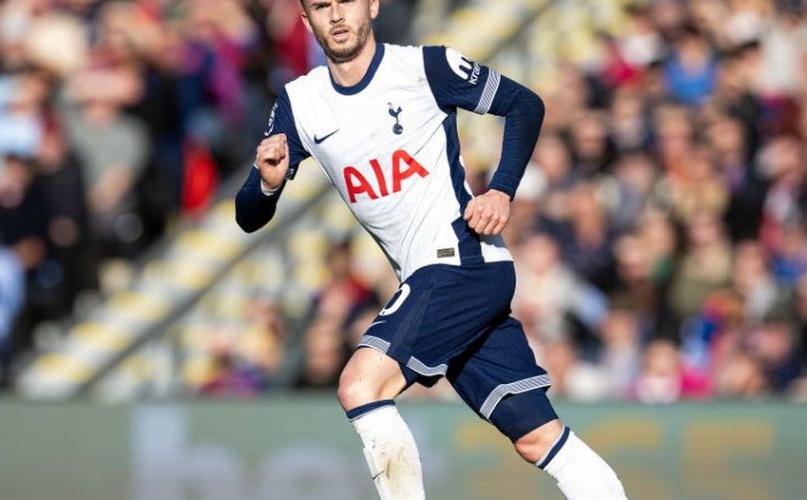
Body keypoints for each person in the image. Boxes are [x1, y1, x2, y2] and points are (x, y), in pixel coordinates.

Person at [235, 0, 628, 498]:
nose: (336, 15)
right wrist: (267, 185)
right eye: (321, 5)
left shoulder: (423, 67)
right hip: (442, 279)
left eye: (347, 1)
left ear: (373, 4)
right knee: (538, 439)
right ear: (304, 17)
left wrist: (501, 189)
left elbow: (525, 104)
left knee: (360, 386)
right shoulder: (299, 102)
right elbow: (249, 215)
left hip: (459, 261)